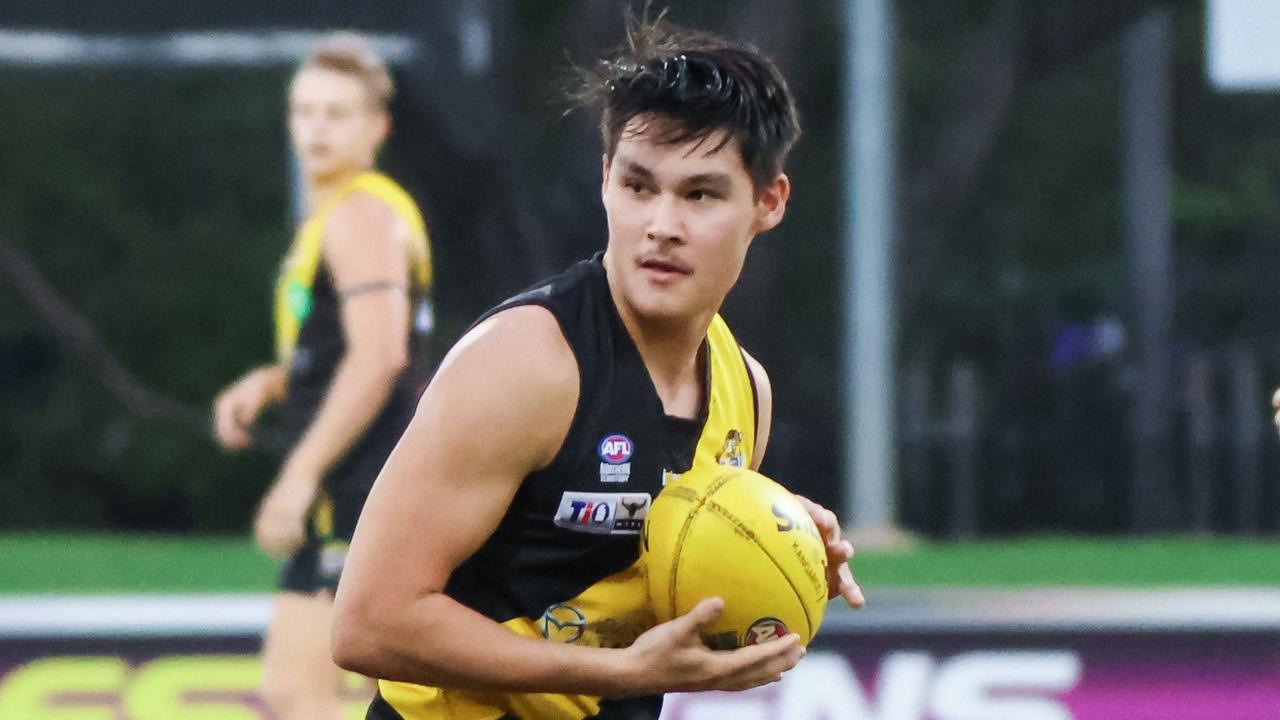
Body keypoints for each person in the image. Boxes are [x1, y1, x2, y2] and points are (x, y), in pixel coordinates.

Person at [331, 16, 863, 720]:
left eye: (700, 194)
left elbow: (659, 565)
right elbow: (368, 622)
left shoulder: (745, 391)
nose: (661, 225)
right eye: (639, 186)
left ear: (768, 202)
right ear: (605, 178)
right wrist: (608, 672)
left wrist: (771, 542)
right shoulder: (526, 365)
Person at [211, 32, 434, 720]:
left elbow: (381, 356)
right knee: (387, 699)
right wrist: (275, 382)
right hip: (368, 490)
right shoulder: (338, 216)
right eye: (305, 111)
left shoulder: (362, 214)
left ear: (377, 128)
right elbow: (343, 349)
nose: (316, 128)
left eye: (337, 113)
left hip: (358, 492)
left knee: (298, 695)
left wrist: (300, 473)